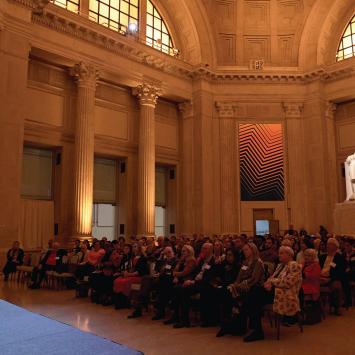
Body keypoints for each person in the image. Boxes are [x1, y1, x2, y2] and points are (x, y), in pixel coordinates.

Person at [217, 243, 265, 342]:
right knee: (226, 291)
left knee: (235, 294)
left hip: (254, 287)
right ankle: (227, 324)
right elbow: (239, 278)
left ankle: (237, 322)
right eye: (244, 250)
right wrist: (235, 285)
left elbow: (254, 279)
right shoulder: (245, 262)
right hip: (242, 286)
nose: (244, 252)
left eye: (247, 250)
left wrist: (238, 286)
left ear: (253, 250)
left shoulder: (258, 262)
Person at [171, 243, 218, 328]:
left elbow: (209, 278)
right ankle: (180, 318)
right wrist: (191, 280)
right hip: (197, 282)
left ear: (211, 250)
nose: (202, 250)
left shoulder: (214, 261)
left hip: (206, 284)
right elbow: (196, 273)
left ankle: (185, 320)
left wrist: (192, 282)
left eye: (205, 248)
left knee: (184, 289)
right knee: (179, 287)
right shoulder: (202, 260)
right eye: (202, 248)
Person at [264, 246, 302, 326]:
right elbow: (271, 278)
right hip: (274, 290)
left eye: (281, 253)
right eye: (279, 253)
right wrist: (269, 282)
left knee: (255, 294)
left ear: (289, 255)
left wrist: (272, 282)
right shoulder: (280, 265)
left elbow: (287, 283)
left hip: (285, 293)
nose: (279, 255)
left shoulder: (294, 265)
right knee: (254, 293)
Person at [113, 243, 149, 309]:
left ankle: (125, 302)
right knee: (117, 280)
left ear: (139, 248)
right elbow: (130, 268)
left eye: (135, 246)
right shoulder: (132, 258)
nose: (134, 248)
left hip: (139, 277)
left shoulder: (142, 258)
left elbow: (139, 271)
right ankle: (120, 302)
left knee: (125, 282)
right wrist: (126, 272)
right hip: (132, 275)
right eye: (133, 247)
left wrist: (129, 274)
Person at [319, 238, 346, 315]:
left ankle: (337, 307)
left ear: (335, 247)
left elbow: (340, 272)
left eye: (330, 244)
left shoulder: (339, 258)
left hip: (332, 278)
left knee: (337, 285)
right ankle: (316, 307)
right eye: (327, 244)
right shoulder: (322, 257)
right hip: (320, 277)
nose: (327, 246)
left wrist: (330, 279)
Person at [152, 246, 178, 320]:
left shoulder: (175, 260)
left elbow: (172, 271)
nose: (168, 254)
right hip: (164, 280)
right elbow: (157, 268)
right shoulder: (165, 260)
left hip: (170, 279)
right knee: (160, 286)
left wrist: (162, 274)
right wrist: (160, 256)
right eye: (166, 253)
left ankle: (159, 309)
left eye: (169, 252)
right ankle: (159, 308)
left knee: (162, 287)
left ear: (172, 252)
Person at [343, 238, 355, 307]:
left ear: (352, 245)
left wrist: (349, 269)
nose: (346, 247)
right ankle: (347, 300)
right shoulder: (344, 254)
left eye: (348, 246)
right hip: (346, 273)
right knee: (343, 277)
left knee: (345, 278)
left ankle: (348, 300)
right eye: (345, 246)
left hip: (353, 273)